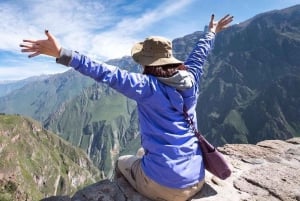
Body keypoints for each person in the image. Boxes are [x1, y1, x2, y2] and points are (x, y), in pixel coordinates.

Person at [20, 14, 233, 201]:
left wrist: (61, 53)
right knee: (141, 153)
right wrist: (212, 32)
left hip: (165, 188)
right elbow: (199, 55)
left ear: (147, 63)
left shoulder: (146, 87)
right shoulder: (191, 78)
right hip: (196, 179)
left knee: (123, 161)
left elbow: (105, 72)